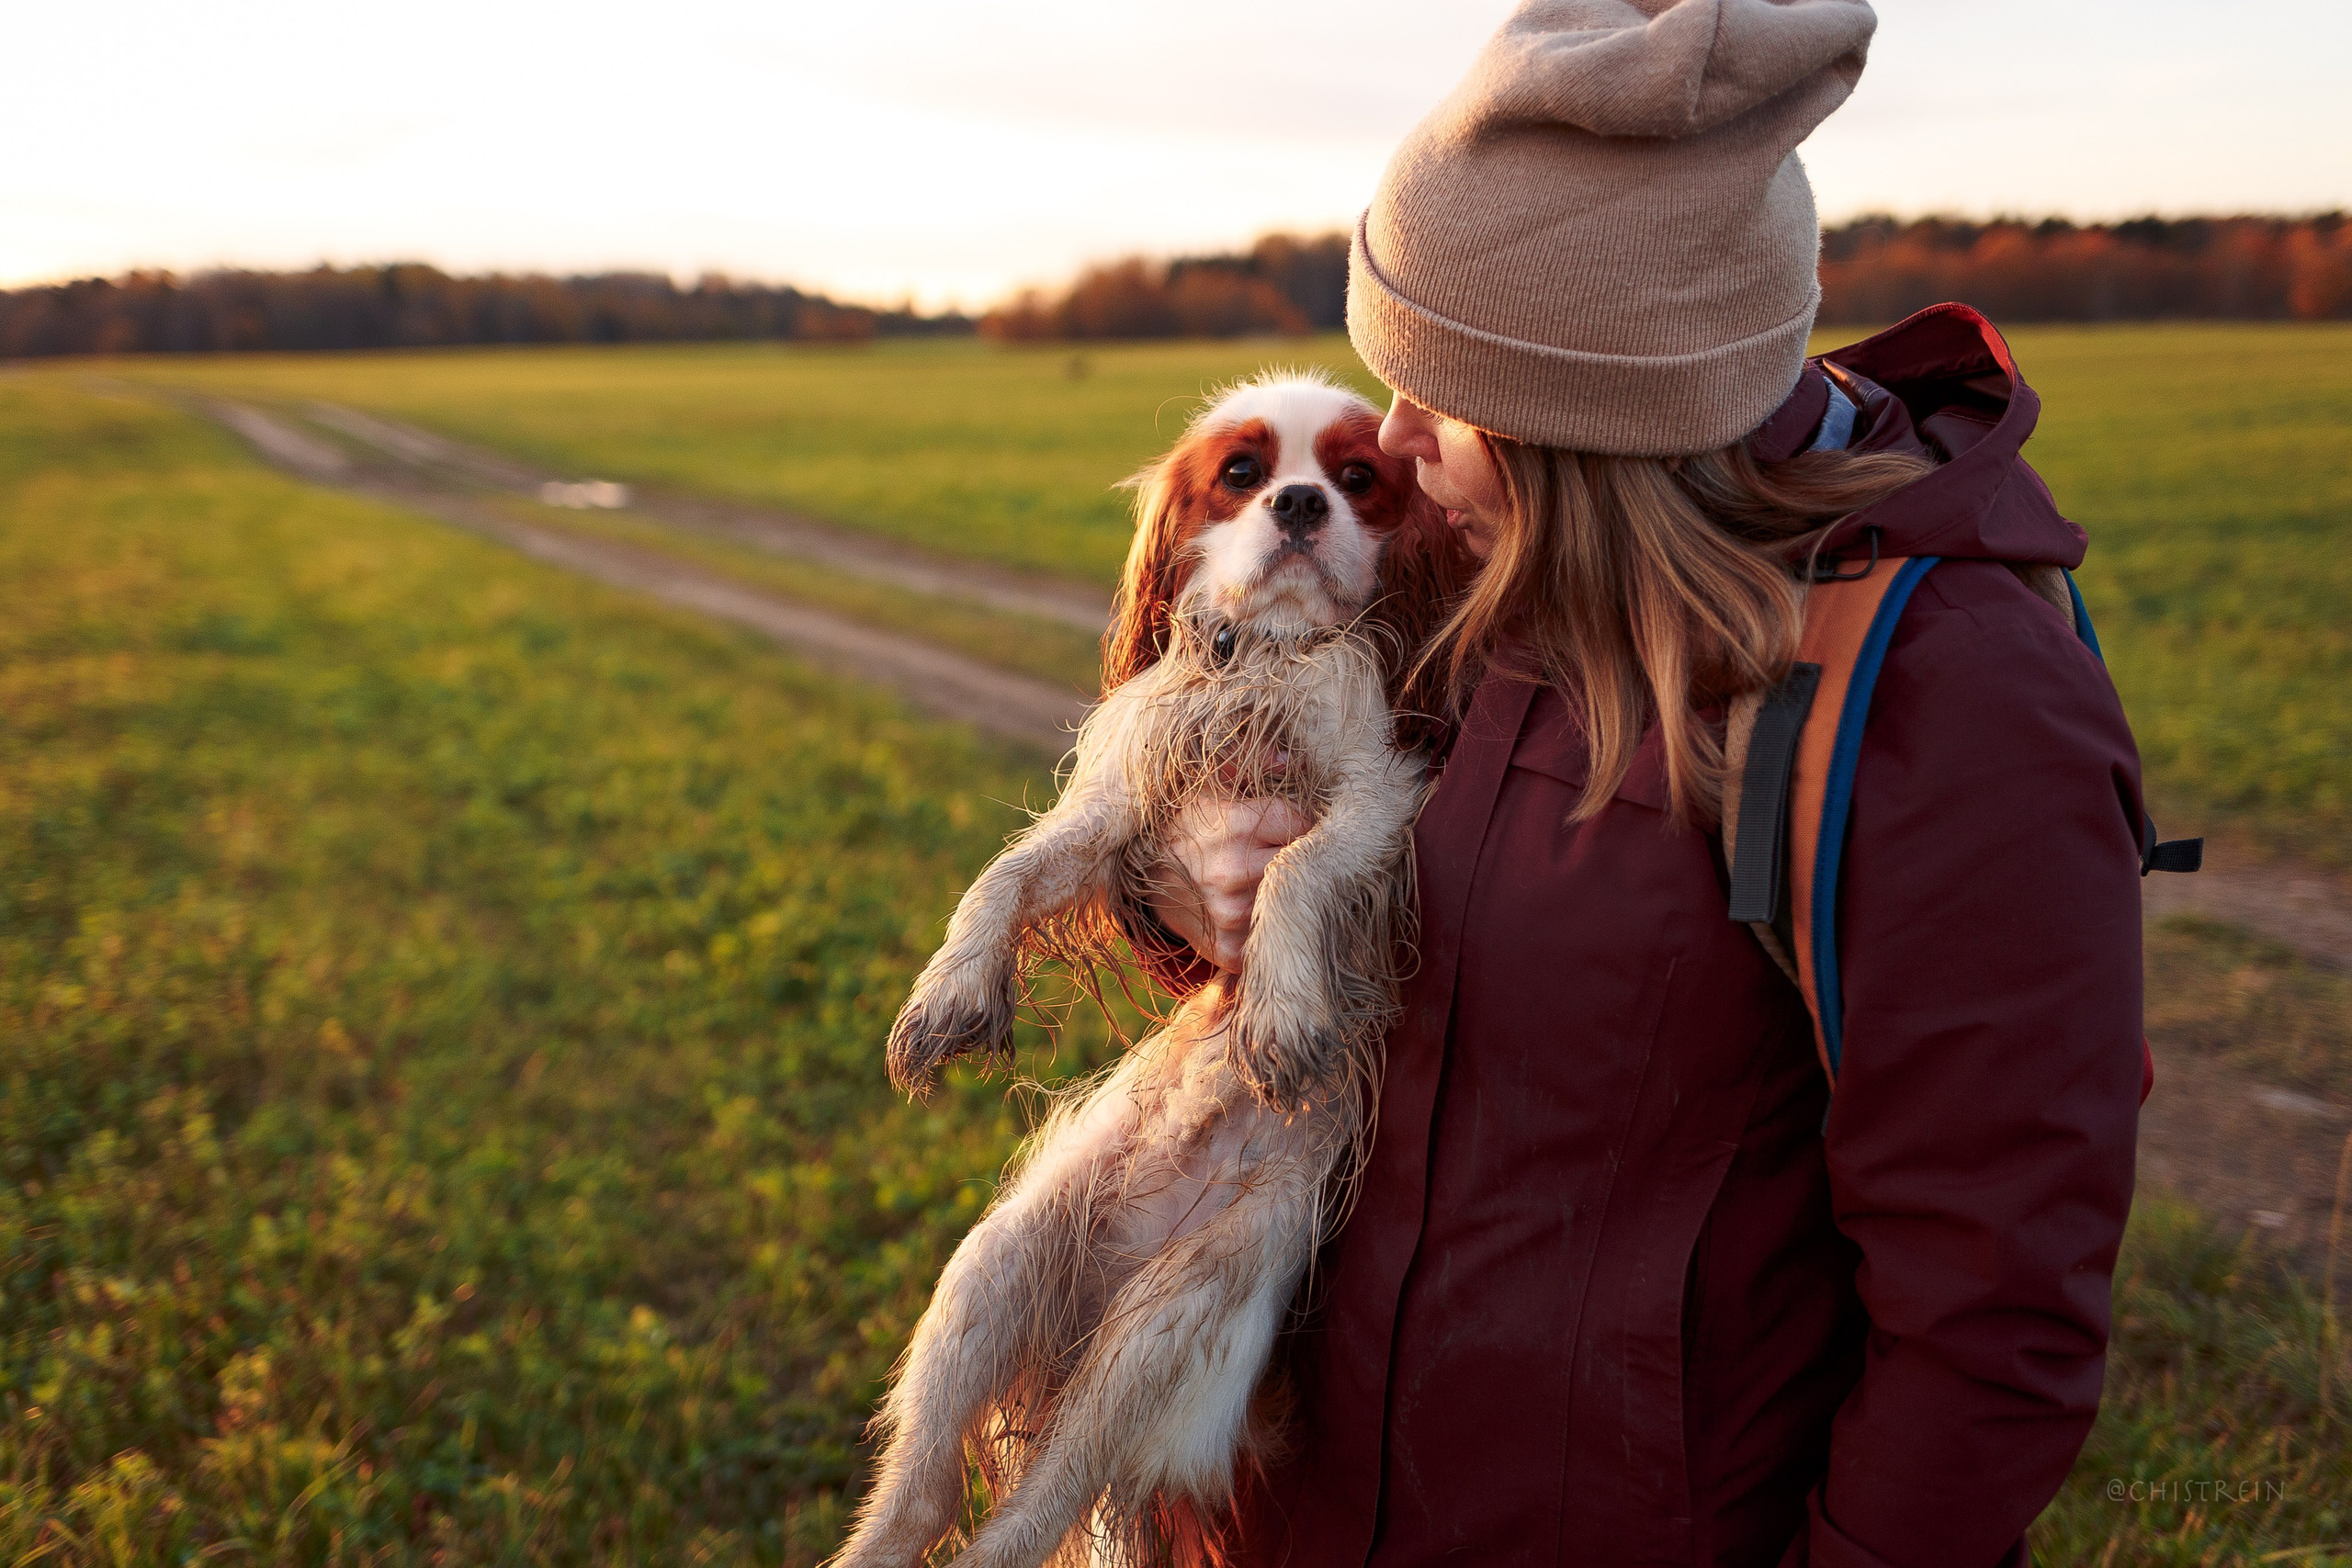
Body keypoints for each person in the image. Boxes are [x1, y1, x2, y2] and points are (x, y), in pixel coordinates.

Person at [1139, 2, 2146, 1563]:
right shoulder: (1479, 578)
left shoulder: (1949, 705)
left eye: (1438, 391)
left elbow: (1995, 1324)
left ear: (1599, 415)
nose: (1392, 445)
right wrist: (1194, 881)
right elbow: (1296, 956)